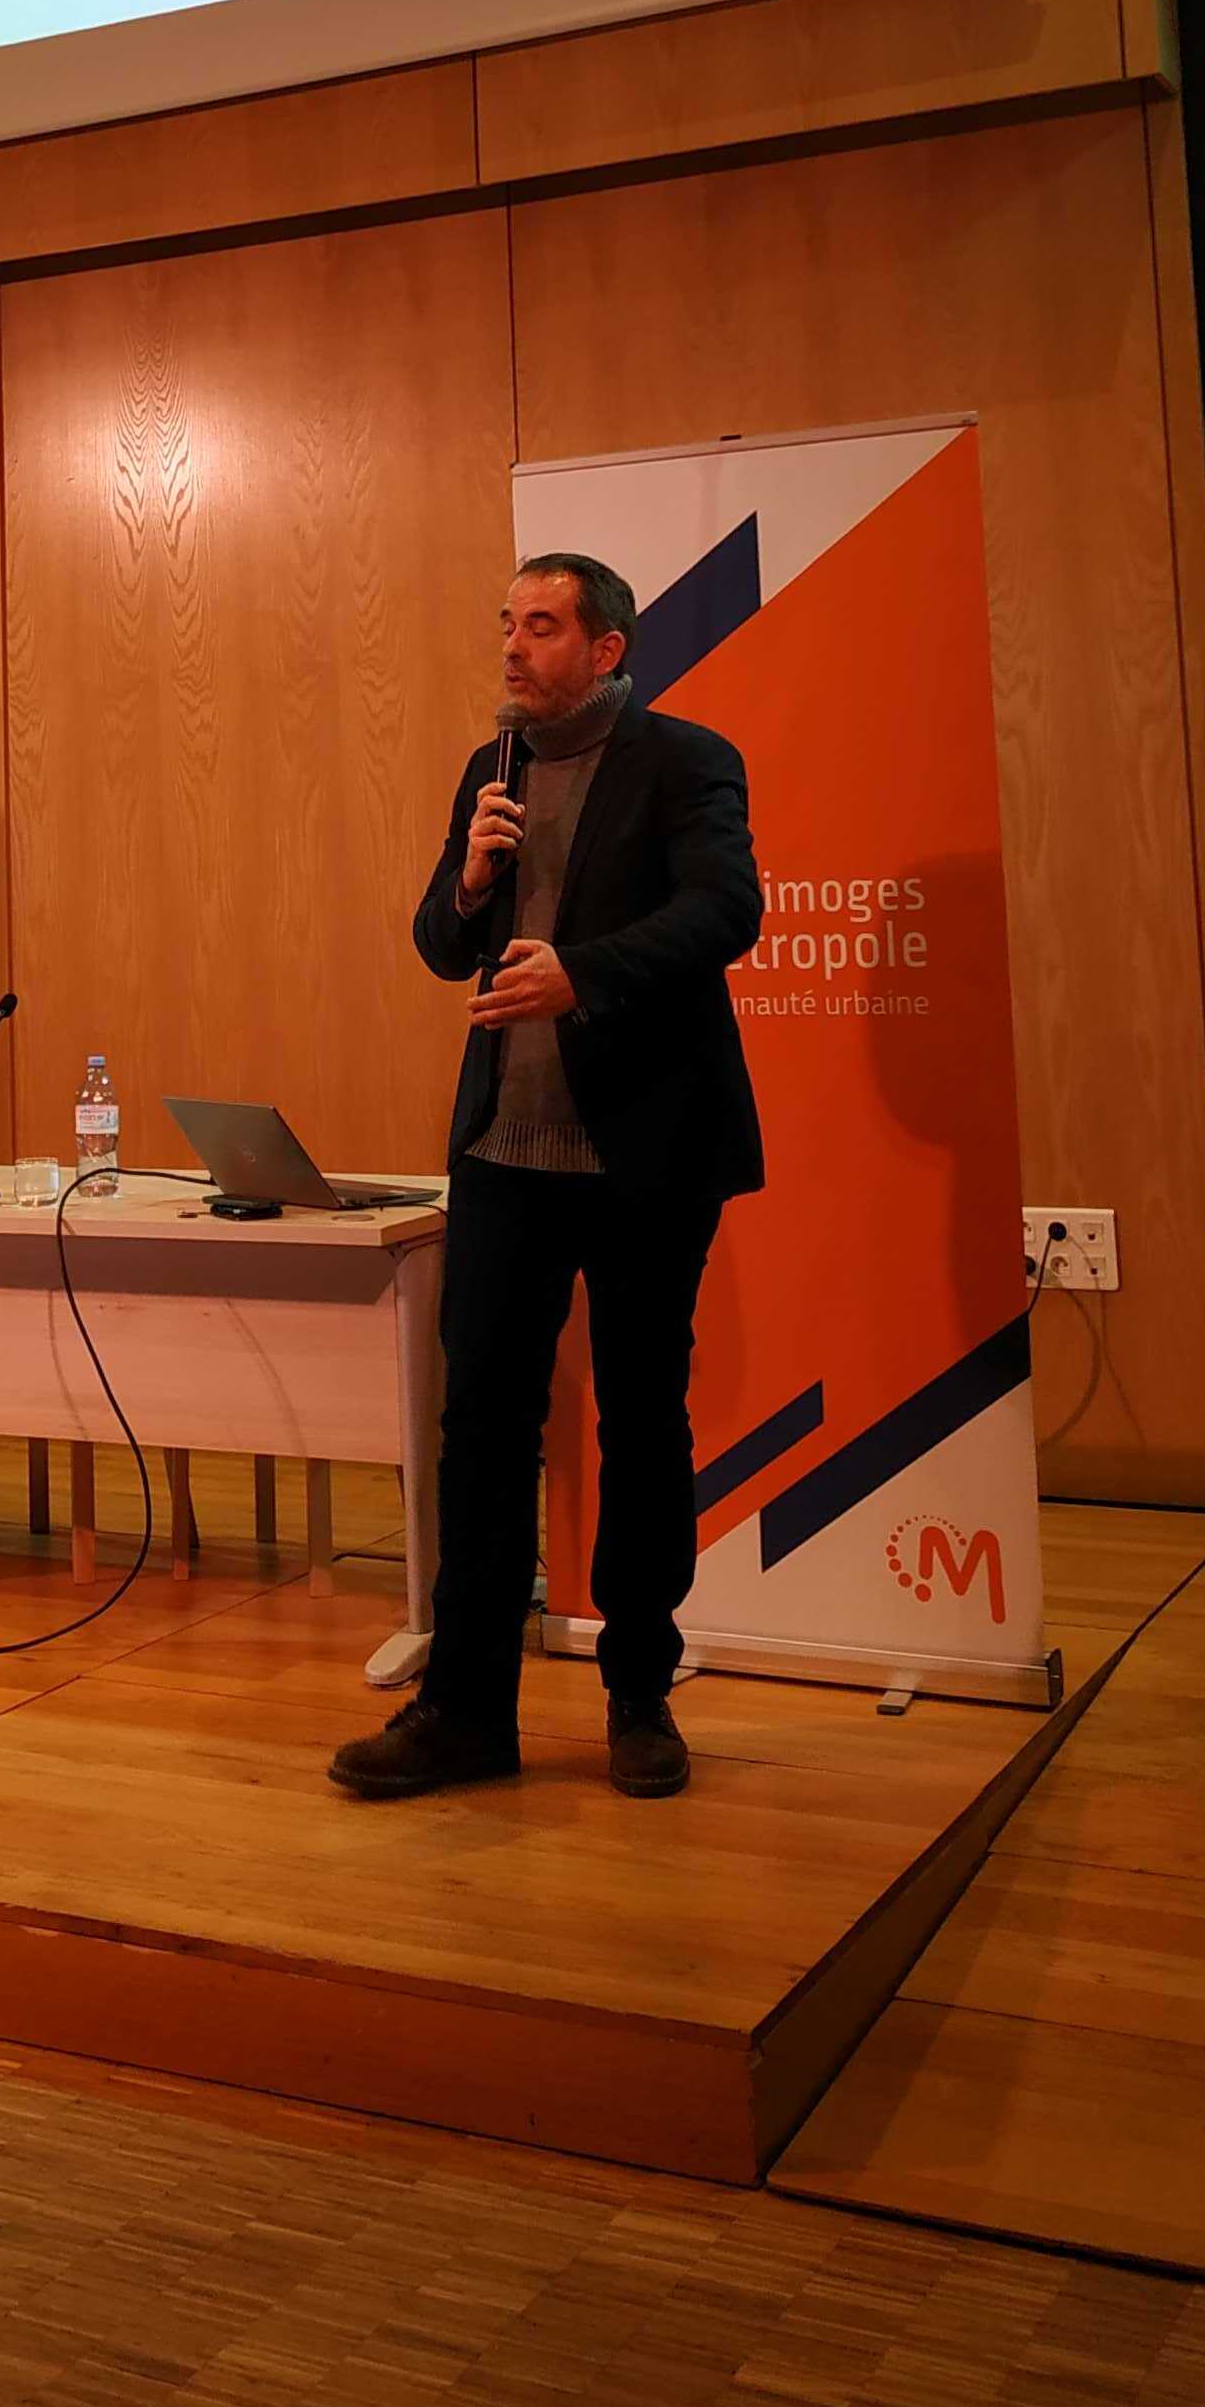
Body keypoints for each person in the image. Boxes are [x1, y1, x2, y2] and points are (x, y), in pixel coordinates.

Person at [331, 552, 762, 1802]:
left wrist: (586, 972)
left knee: (641, 1418)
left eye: (541, 625)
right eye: (506, 624)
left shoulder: (686, 761)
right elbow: (438, 944)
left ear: (606, 647)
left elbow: (728, 910)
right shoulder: (496, 767)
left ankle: (639, 1694)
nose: (513, 647)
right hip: (503, 1155)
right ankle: (467, 1710)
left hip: (644, 1150)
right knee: (481, 1429)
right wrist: (471, 880)